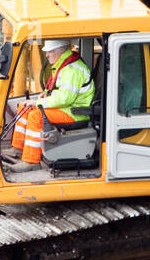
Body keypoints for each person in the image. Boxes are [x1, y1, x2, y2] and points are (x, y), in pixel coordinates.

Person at [5, 37, 95, 171]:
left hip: (75, 113)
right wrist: (46, 94)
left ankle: (31, 162)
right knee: (24, 106)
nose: (46, 55)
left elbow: (65, 99)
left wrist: (38, 102)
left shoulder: (72, 70)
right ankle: (18, 148)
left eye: (50, 52)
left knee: (36, 116)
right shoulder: (64, 65)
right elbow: (59, 89)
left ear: (59, 51)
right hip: (67, 109)